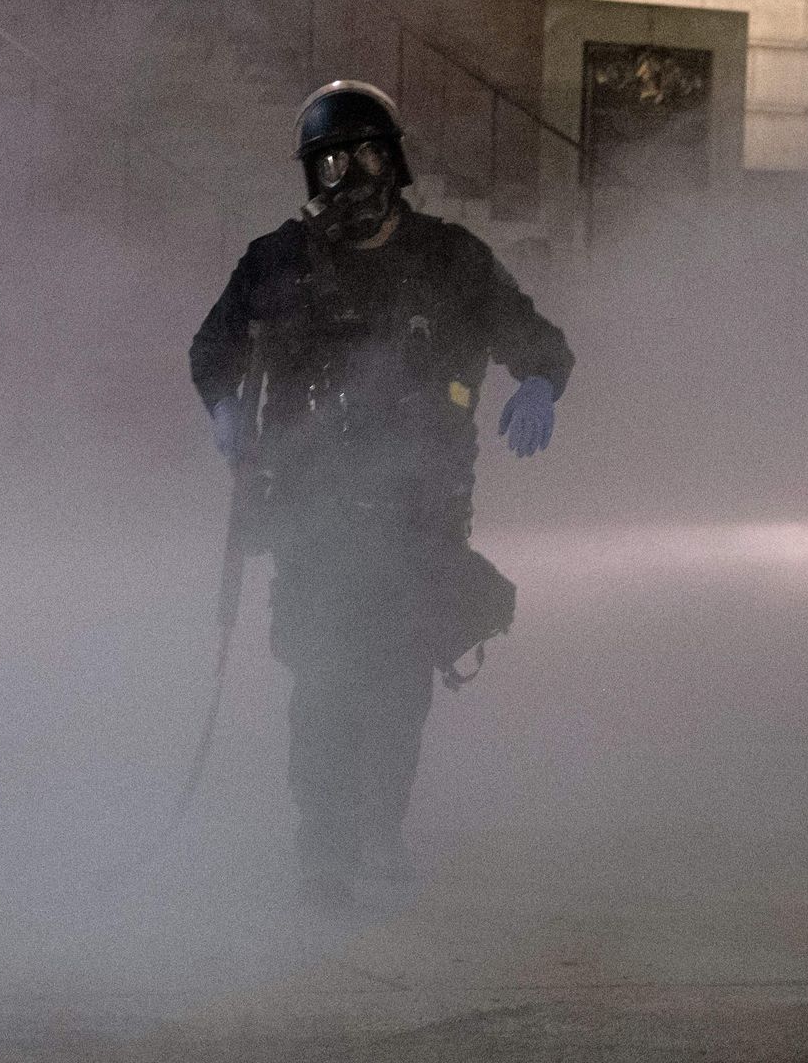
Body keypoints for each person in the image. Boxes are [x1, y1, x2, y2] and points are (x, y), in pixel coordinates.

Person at [188, 81, 576, 894]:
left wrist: (539, 383)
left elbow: (536, 339)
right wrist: (224, 406)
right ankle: (323, 848)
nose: (350, 176)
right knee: (324, 683)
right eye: (330, 161)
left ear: (394, 161)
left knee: (398, 691)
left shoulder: (450, 260)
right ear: (311, 176)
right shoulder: (278, 262)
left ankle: (380, 831)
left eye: (366, 154)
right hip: (311, 515)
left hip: (420, 518)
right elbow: (213, 345)